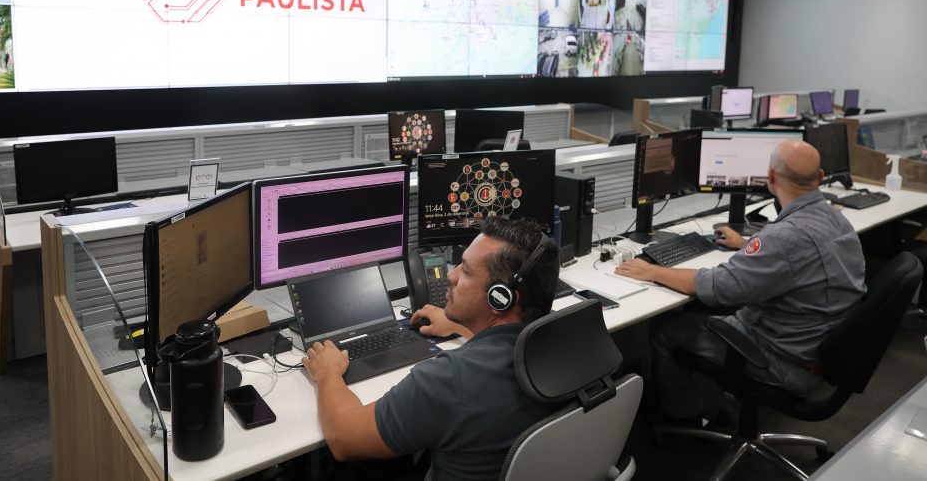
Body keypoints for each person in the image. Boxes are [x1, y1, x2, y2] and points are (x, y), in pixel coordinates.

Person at [614, 139, 866, 422]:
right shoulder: (837, 219)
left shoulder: (783, 238)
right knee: (702, 311)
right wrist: (748, 244)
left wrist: (652, 271)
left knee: (665, 327)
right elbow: (797, 257)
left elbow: (718, 287)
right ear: (820, 177)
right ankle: (709, 401)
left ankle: (684, 420)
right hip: (816, 353)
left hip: (784, 363)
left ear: (770, 178)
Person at [302, 218, 560, 481]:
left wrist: (328, 373)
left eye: (466, 271)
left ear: (500, 298)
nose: (450, 275)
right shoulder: (565, 343)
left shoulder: (449, 380)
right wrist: (461, 326)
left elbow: (343, 439)